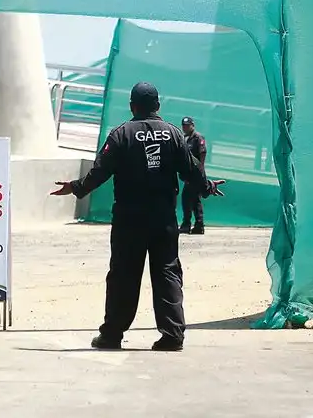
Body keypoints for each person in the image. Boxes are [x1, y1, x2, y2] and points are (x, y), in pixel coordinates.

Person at [49, 82, 225, 352]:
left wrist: (76, 187)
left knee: (123, 274)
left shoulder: (121, 135)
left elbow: (100, 171)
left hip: (129, 219)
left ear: (132, 106)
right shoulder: (174, 135)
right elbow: (192, 170)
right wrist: (207, 187)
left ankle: (112, 335)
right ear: (157, 106)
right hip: (163, 218)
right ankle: (172, 336)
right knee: (167, 272)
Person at [179, 116, 208, 235]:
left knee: (192, 199)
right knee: (191, 199)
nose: (185, 128)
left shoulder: (198, 138)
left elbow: (202, 153)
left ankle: (193, 225)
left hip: (196, 174)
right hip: (189, 174)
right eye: (184, 126)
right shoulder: (185, 138)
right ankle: (196, 225)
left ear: (192, 125)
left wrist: (200, 172)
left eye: (187, 125)